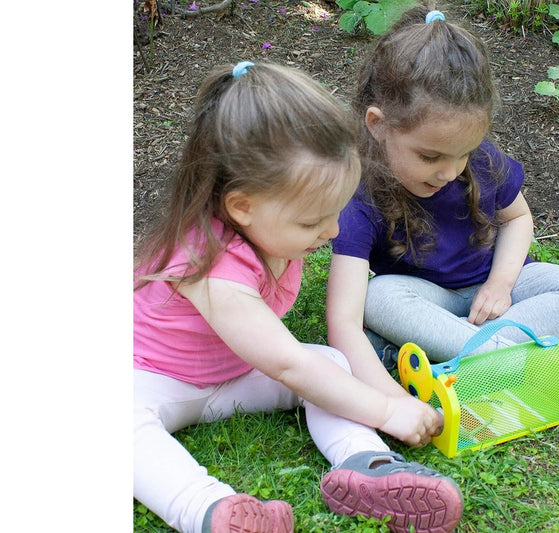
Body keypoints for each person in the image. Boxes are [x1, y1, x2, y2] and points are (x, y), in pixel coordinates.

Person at [134, 61, 463, 533]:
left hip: (235, 375)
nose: (330, 233)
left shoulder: (274, 227)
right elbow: (288, 363)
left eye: (334, 214)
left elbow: (296, 363)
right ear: (242, 206)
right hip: (152, 380)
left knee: (330, 361)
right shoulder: (205, 264)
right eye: (312, 222)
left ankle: (367, 465)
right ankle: (208, 510)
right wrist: (387, 408)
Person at [326, 5, 559, 408]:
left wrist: (500, 283)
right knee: (379, 299)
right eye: (430, 157)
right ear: (377, 125)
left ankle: (454, 354)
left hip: (497, 290)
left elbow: (517, 219)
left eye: (463, 153)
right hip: (427, 299)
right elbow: (343, 319)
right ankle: (544, 361)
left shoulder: (483, 163)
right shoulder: (360, 199)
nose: (449, 171)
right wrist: (392, 405)